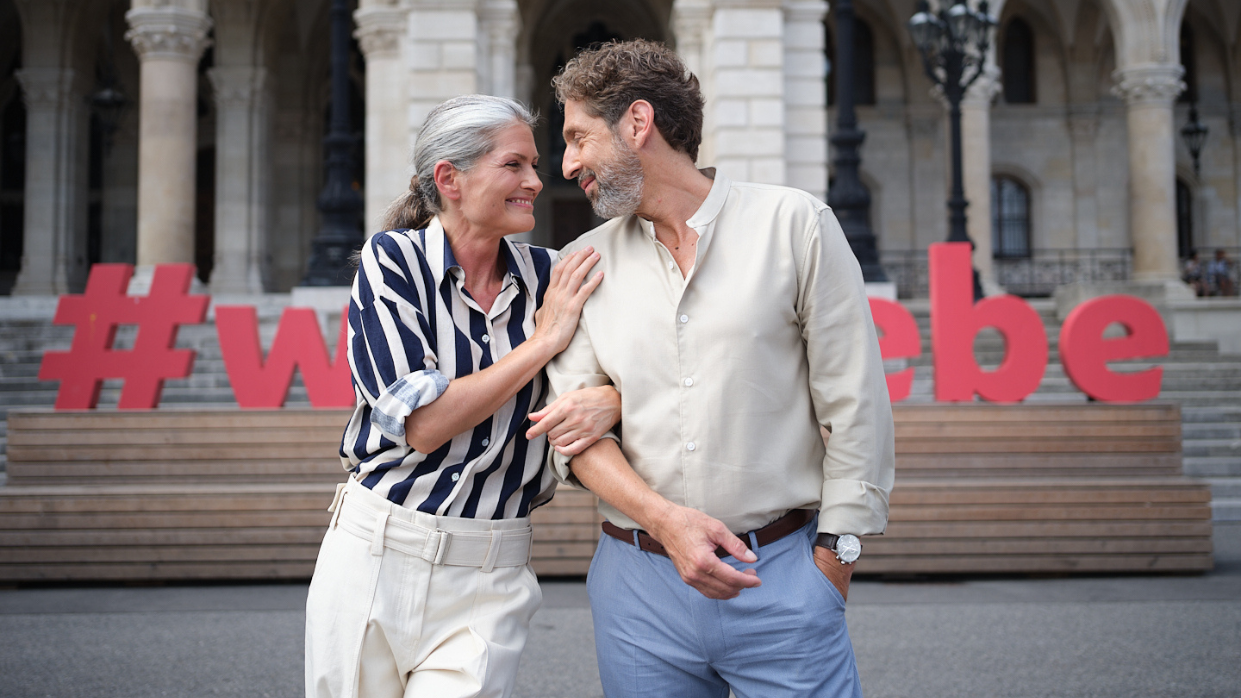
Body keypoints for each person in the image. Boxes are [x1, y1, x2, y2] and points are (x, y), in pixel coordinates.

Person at [543, 40, 896, 698]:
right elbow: (575, 436)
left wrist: (831, 565)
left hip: (784, 580)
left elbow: (854, 405)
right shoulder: (581, 262)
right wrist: (665, 521)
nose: (567, 165)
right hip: (637, 593)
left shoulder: (794, 224)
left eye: (577, 138)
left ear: (637, 124)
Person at [305, 94, 620, 698]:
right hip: (374, 552)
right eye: (514, 165)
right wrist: (542, 341)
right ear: (449, 179)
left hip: (492, 567)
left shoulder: (554, 276)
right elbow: (423, 423)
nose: (536, 179)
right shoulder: (391, 260)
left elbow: (643, 364)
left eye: (534, 163)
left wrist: (615, 401)